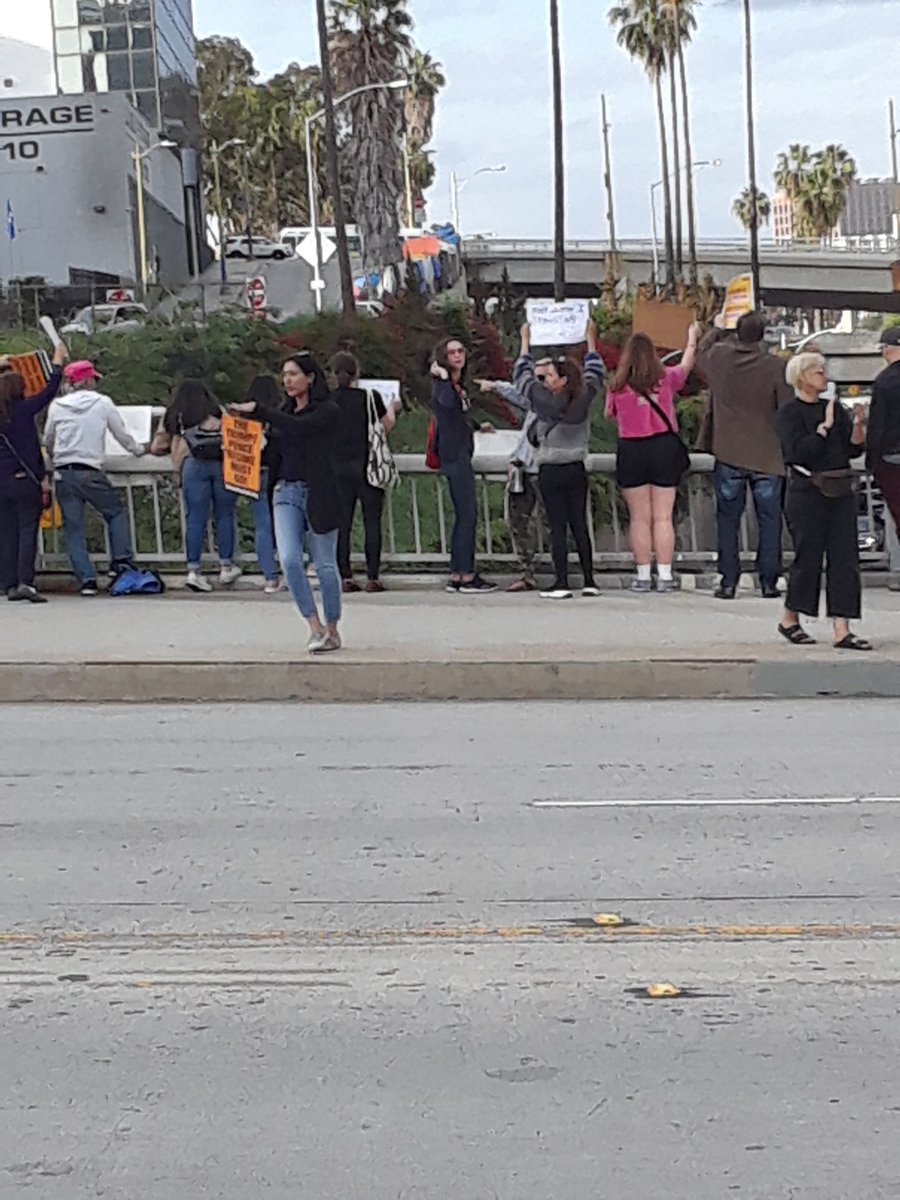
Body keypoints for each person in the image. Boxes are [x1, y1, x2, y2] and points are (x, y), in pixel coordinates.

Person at [230, 352, 343, 652]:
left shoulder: (328, 411)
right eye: (285, 375)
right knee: (290, 559)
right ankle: (313, 625)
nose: (288, 380)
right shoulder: (282, 413)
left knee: (325, 565)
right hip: (285, 491)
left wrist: (261, 411)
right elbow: (275, 451)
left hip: (319, 492)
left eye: (294, 374)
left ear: (310, 378)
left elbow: (302, 429)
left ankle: (332, 627)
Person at [776, 352, 870, 650]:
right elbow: (798, 453)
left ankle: (842, 627)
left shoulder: (835, 409)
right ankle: (791, 617)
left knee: (845, 558)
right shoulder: (789, 414)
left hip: (840, 487)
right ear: (802, 377)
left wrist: (856, 425)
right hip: (807, 491)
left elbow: (852, 451)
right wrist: (823, 428)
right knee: (809, 557)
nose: (824, 376)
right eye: (818, 371)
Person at [697, 310, 794, 599]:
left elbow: (700, 350)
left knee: (727, 518)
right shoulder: (775, 366)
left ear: (736, 332)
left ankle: (728, 580)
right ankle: (768, 580)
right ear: (764, 334)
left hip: (728, 449)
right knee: (769, 518)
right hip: (767, 452)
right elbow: (785, 407)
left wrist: (716, 327)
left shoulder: (720, 358)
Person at [512, 320, 605, 600]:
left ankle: (561, 582)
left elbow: (522, 378)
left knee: (557, 525)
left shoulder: (544, 400)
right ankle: (589, 581)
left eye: (550, 375)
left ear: (561, 381)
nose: (545, 379)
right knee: (579, 524)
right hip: (577, 467)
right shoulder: (583, 396)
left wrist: (525, 342)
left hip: (551, 467)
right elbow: (595, 372)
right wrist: (591, 341)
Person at [44, 360, 149, 595]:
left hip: (63, 472)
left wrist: (54, 457)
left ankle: (87, 580)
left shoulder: (57, 406)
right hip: (90, 470)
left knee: (73, 529)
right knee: (115, 512)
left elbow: (49, 439)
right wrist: (139, 450)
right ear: (88, 381)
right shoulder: (102, 403)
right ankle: (120, 562)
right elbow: (121, 434)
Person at [605, 327, 697, 592]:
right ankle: (666, 575)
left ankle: (643, 575)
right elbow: (686, 365)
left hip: (632, 448)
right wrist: (691, 340)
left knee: (639, 518)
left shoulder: (617, 386)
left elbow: (609, 415)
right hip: (663, 447)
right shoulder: (665, 378)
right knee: (663, 517)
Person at [150, 380, 241, 594]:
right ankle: (226, 565)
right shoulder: (217, 411)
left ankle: (193, 571)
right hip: (221, 464)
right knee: (225, 515)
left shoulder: (175, 413)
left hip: (191, 464)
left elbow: (157, 446)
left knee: (195, 519)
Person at [0, 341, 68, 602]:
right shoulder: (24, 411)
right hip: (22, 479)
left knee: (7, 532)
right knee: (27, 529)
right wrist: (58, 362)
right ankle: (25, 581)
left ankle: (8, 582)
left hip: (1, 481)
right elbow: (50, 389)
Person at [430, 337, 498, 593]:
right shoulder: (444, 386)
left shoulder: (459, 387)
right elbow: (447, 407)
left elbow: (458, 417)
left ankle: (459, 572)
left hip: (460, 451)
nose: (458, 356)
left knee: (465, 516)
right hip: (453, 455)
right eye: (451, 353)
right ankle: (464, 574)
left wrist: (478, 425)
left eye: (460, 351)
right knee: (467, 514)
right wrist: (444, 376)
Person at [478, 376, 552, 591]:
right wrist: (496, 386)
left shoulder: (560, 403)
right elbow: (520, 395)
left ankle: (561, 571)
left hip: (546, 467)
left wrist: (496, 386)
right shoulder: (536, 401)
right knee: (518, 522)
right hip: (523, 467)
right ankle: (526, 572)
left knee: (551, 524)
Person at [330, 351, 395, 593]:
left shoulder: (329, 400)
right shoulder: (369, 397)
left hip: (337, 467)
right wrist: (393, 410)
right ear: (357, 373)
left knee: (343, 523)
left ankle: (345, 575)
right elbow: (384, 427)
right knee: (372, 521)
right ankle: (373, 576)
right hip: (368, 465)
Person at [243, 375, 284, 594]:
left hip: (254, 473)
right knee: (289, 523)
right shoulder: (280, 414)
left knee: (263, 525)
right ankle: (301, 568)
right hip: (278, 472)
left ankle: (270, 577)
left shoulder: (245, 420)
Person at [866, 325, 900, 545]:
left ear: (888, 349)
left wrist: (872, 460)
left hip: (893, 459)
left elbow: (878, 425)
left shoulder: (884, 381)